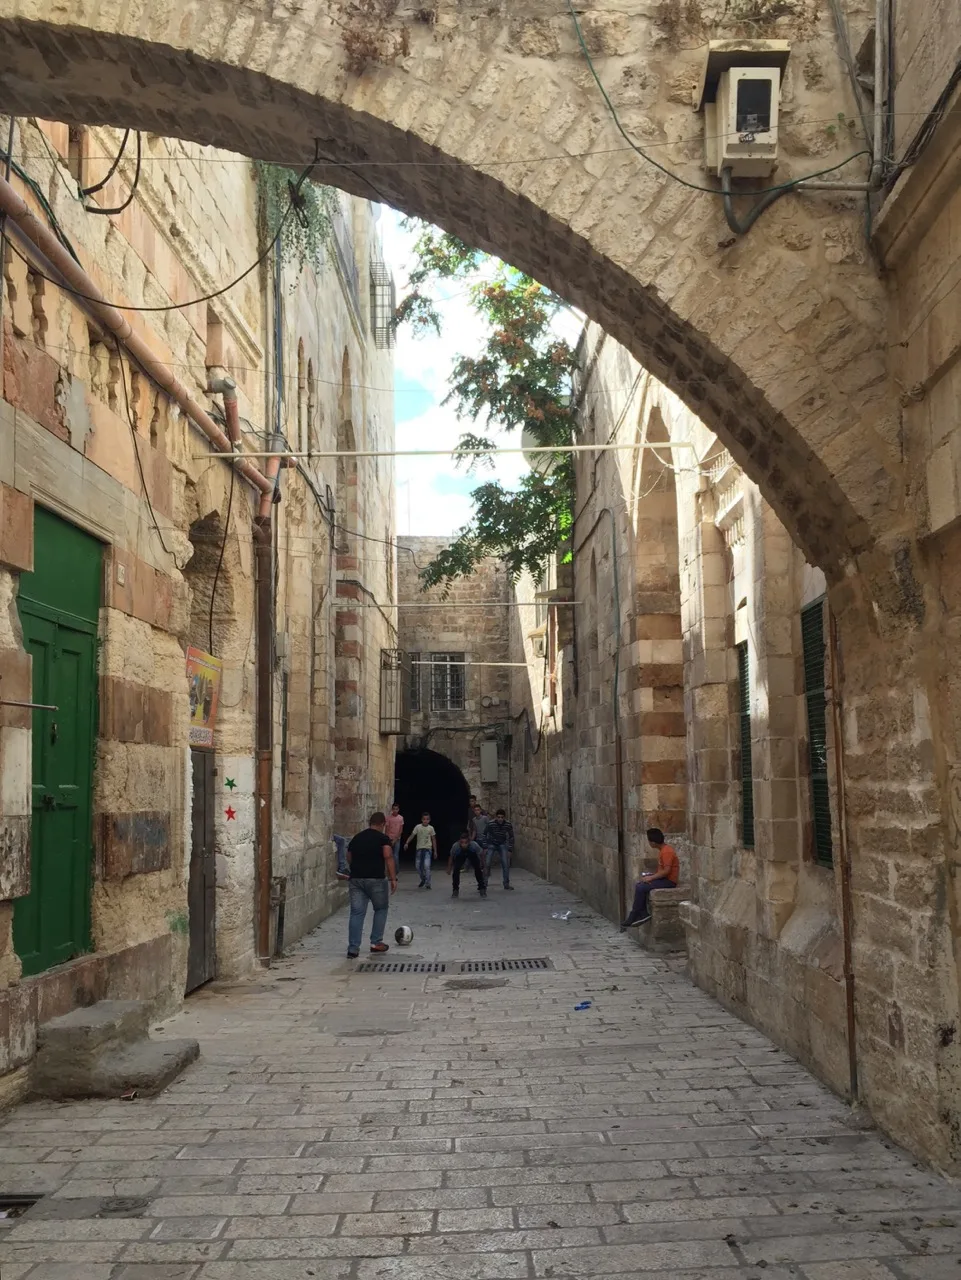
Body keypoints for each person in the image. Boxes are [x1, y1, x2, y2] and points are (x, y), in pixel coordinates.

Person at [346, 811, 397, 958]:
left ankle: (353, 948)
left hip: (356, 879)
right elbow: (388, 856)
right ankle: (376, 942)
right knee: (380, 909)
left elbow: (349, 856)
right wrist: (393, 878)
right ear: (382, 824)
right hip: (376, 879)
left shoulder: (357, 838)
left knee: (356, 913)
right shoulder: (383, 839)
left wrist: (357, 867)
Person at [621, 828, 679, 929]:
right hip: (664, 879)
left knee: (641, 887)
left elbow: (666, 871)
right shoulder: (663, 850)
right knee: (640, 885)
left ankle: (635, 915)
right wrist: (650, 876)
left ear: (653, 842)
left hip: (669, 881)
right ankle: (642, 912)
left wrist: (651, 877)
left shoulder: (667, 851)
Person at [448, 833, 487, 899]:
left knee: (478, 869)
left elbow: (481, 854)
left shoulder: (474, 845)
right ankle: (455, 890)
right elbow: (451, 856)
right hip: (460, 855)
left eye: (465, 843)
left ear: (469, 842)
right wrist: (449, 868)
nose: (463, 845)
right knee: (456, 870)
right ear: (459, 841)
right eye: (462, 842)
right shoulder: (456, 846)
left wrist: (484, 865)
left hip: (472, 854)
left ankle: (482, 888)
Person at [484, 809, 515, 890]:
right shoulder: (491, 824)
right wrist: (485, 847)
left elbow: (511, 837)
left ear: (504, 817)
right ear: (496, 817)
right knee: (487, 863)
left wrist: (510, 849)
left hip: (502, 844)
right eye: (498, 817)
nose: (500, 819)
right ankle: (484, 883)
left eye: (502, 817)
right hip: (492, 844)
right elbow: (484, 834)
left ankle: (506, 884)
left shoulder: (508, 824)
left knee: (505, 864)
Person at [405, 811, 437, 889]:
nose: (425, 821)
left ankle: (428, 883)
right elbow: (412, 835)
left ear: (429, 820)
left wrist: (435, 851)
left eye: (427, 819)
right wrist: (407, 843)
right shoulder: (418, 827)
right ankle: (423, 878)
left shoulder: (431, 828)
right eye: (424, 819)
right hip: (419, 849)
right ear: (421, 819)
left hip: (428, 849)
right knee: (418, 866)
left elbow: (433, 839)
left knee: (426, 866)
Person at [385, 803, 404, 874]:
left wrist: (395, 839)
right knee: (389, 855)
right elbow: (387, 829)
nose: (395, 810)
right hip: (389, 838)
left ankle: (396, 871)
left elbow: (400, 830)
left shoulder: (400, 818)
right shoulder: (388, 818)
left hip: (397, 839)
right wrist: (387, 839)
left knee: (395, 855)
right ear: (392, 809)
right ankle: (389, 871)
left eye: (396, 809)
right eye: (394, 809)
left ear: (398, 810)